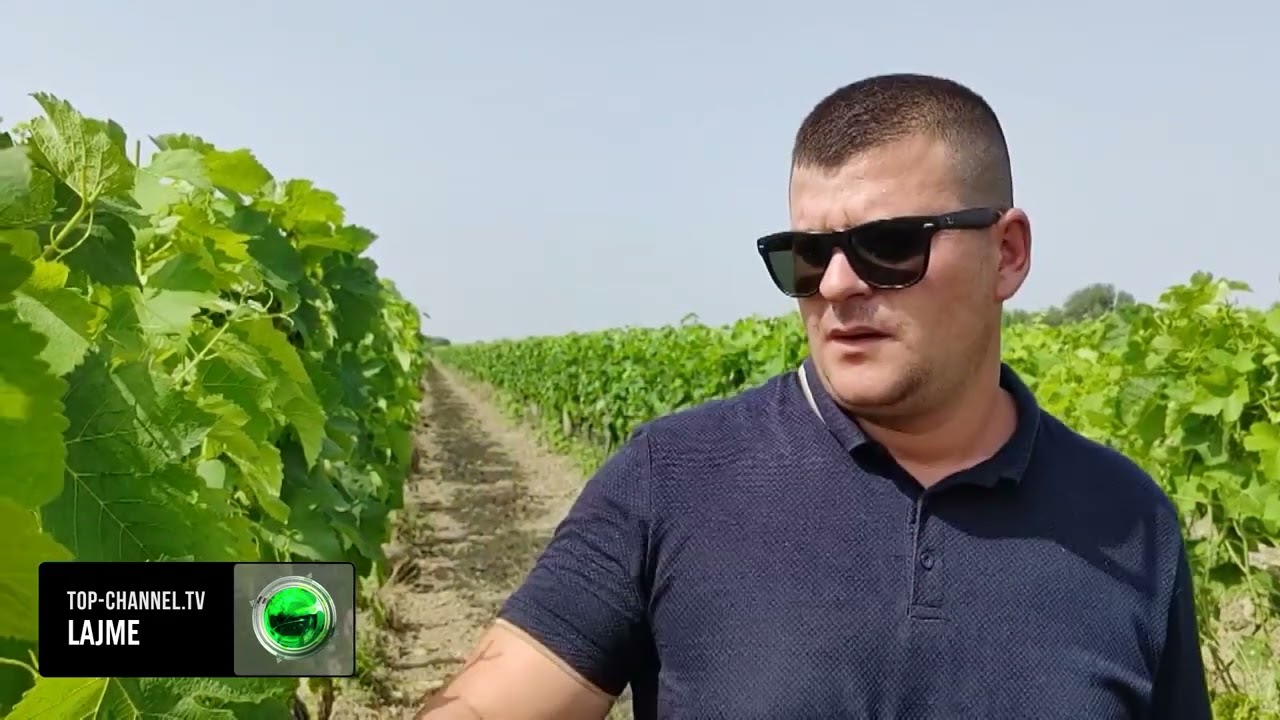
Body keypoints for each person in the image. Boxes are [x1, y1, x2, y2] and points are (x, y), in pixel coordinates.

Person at [415, 73, 1212, 719]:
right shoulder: (673, 478)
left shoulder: (1130, 523)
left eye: (888, 246)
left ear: (1006, 253)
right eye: (805, 254)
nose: (835, 285)